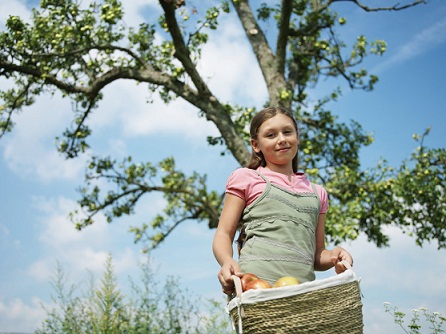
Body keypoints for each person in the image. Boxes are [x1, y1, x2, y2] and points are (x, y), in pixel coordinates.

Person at [212, 106, 353, 296]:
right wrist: (227, 260)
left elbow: (317, 255)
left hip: (303, 293)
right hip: (255, 289)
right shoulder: (246, 178)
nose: (282, 139)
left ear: (297, 137)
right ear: (256, 145)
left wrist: (335, 256)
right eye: (271, 135)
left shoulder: (318, 193)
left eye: (287, 132)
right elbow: (223, 233)